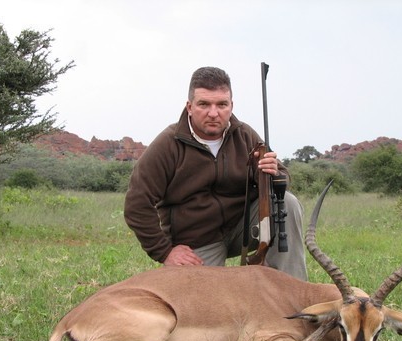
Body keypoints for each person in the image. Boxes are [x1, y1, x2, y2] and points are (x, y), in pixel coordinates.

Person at [124, 66, 307, 280]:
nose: (214, 113)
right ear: (190, 107)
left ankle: (293, 292)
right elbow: (136, 203)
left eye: (222, 104)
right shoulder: (168, 144)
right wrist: (165, 251)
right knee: (198, 305)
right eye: (204, 104)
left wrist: (272, 174)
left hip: (243, 228)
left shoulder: (245, 134)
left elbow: (281, 177)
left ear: (231, 106)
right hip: (197, 239)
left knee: (287, 202)